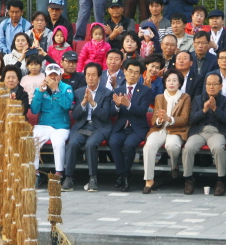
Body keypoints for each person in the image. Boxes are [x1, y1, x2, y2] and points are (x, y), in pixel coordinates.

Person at [62, 62, 113, 192]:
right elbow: (76, 115)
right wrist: (84, 102)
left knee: (91, 144)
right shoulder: (79, 92)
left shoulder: (106, 93)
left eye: (93, 75)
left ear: (99, 77)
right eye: (88, 75)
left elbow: (105, 116)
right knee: (72, 143)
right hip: (82, 126)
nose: (90, 78)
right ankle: (68, 178)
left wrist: (93, 103)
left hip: (99, 127)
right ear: (84, 77)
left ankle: (92, 178)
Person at [183, 72, 226, 196]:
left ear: (221, 86)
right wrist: (204, 110)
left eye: (214, 84)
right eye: (209, 84)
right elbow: (192, 119)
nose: (211, 87)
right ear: (205, 86)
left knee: (218, 148)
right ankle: (188, 180)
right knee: (188, 148)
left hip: (217, 131)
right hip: (199, 131)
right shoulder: (197, 99)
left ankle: (221, 180)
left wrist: (216, 109)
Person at [142, 69, 191, 194]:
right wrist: (159, 119)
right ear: (164, 82)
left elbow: (185, 119)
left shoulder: (185, 97)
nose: (171, 83)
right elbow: (153, 120)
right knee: (149, 146)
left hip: (176, 130)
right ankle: (149, 180)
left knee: (172, 146)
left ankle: (174, 165)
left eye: (175, 80)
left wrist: (169, 119)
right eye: (168, 80)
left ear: (180, 83)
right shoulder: (159, 97)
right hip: (160, 129)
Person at [109, 59, 154, 192]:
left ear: (140, 75)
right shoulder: (119, 89)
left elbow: (142, 111)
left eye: (136, 73)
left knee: (129, 145)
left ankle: (126, 176)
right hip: (121, 127)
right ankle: (122, 174)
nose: (132, 75)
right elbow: (111, 113)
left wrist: (128, 104)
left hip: (137, 128)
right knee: (114, 142)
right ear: (124, 72)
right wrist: (117, 105)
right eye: (130, 71)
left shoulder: (145, 90)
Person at [31, 63, 73, 185]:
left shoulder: (67, 88)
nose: (53, 78)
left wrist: (56, 90)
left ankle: (59, 173)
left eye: (56, 75)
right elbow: (34, 110)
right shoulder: (40, 89)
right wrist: (39, 92)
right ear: (46, 76)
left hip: (61, 126)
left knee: (58, 143)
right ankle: (35, 173)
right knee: (33, 140)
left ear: (60, 76)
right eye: (50, 76)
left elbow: (67, 105)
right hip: (43, 125)